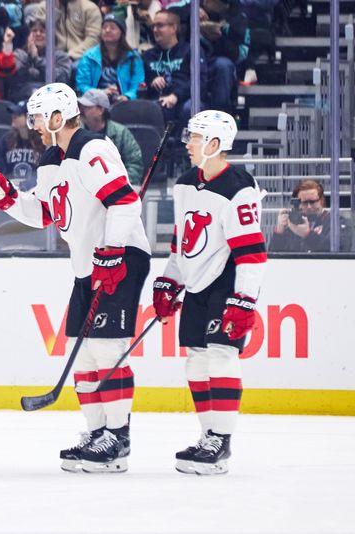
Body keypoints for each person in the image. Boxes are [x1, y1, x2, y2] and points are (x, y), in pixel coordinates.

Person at [0, 83, 151, 473]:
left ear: (58, 117)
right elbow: (45, 212)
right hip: (87, 264)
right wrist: (6, 198)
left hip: (121, 257)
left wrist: (112, 250)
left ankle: (118, 438)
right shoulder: (50, 160)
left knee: (107, 349)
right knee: (83, 351)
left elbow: (125, 201)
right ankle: (97, 433)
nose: (33, 126)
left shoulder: (92, 148)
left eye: (38, 118)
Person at [152, 110, 266, 476]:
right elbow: (181, 242)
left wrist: (244, 300)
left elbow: (251, 252)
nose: (188, 144)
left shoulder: (239, 186)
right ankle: (207, 437)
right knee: (196, 360)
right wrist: (170, 280)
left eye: (196, 138)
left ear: (215, 144)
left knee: (221, 356)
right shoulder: (186, 183)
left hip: (227, 280)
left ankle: (222, 440)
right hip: (196, 282)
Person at [142, 10, 205, 129]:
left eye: (160, 25)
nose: (155, 30)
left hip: (185, 99)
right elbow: (142, 83)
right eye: (153, 26)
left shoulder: (191, 50)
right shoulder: (148, 55)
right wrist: (152, 82)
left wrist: (176, 95)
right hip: (159, 100)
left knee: (190, 109)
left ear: (174, 28)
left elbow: (200, 81)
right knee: (151, 109)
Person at [77, 89, 144, 185]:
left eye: (87, 107)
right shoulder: (77, 133)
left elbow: (134, 164)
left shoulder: (121, 133)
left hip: (116, 187)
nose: (81, 110)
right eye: (81, 106)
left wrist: (120, 186)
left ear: (101, 110)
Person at [75, 14, 144, 103]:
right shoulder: (89, 56)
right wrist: (100, 93)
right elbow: (81, 85)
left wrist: (127, 96)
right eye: (104, 27)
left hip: (124, 103)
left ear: (122, 32)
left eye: (112, 28)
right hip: (95, 102)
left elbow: (138, 85)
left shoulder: (134, 58)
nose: (107, 30)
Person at [269, 180, 353, 253]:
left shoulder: (338, 223)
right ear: (297, 204)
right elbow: (274, 256)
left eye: (313, 202)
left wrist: (308, 235)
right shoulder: (293, 225)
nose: (309, 207)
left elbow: (341, 249)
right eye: (305, 203)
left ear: (321, 201)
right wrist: (279, 232)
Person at [8, 9, 71, 102]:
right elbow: (14, 78)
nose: (38, 34)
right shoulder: (19, 54)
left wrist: (36, 59)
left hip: (51, 101)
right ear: (28, 36)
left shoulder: (61, 56)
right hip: (24, 100)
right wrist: (29, 57)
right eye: (34, 31)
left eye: (42, 31)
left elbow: (62, 79)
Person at [0, 101, 44, 191]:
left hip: (36, 190)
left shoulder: (43, 140)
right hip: (10, 190)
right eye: (13, 113)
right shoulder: (5, 141)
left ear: (29, 118)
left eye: (18, 114)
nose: (13, 116)